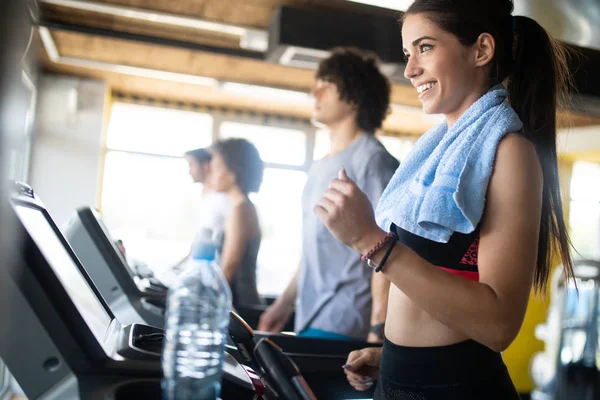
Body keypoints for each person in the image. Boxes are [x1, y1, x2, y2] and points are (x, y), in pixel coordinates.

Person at [314, 1, 576, 398]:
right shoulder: (435, 156)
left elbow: (498, 325)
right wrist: (394, 354)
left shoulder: (510, 154)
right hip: (401, 378)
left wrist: (370, 241)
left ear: (482, 50)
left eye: (425, 47)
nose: (409, 69)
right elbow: (433, 295)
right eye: (407, 53)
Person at [258, 47, 400, 342]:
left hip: (349, 321)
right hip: (311, 316)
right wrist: (283, 305)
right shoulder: (320, 166)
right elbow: (314, 250)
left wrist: (378, 331)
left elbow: (389, 249)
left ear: (354, 96)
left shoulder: (373, 161)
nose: (315, 93)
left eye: (326, 85)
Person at [207, 138, 264, 308]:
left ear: (233, 173)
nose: (211, 175)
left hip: (239, 308)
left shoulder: (241, 210)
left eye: (216, 168)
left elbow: (229, 269)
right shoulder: (241, 207)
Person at [170, 147, 232, 273]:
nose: (189, 171)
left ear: (206, 166)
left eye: (191, 165)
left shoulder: (221, 199)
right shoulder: (207, 197)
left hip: (213, 273)